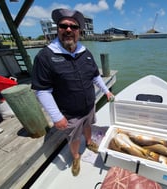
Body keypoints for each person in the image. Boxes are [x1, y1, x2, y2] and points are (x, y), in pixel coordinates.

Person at [31, 8, 114, 176]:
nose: (68, 29)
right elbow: (42, 91)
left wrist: (106, 91)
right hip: (69, 113)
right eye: (63, 26)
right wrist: (56, 116)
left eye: (73, 27)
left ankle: (89, 142)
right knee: (74, 138)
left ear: (79, 31)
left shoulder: (86, 53)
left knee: (89, 126)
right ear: (58, 29)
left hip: (89, 105)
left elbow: (96, 76)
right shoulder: (45, 56)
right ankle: (76, 156)